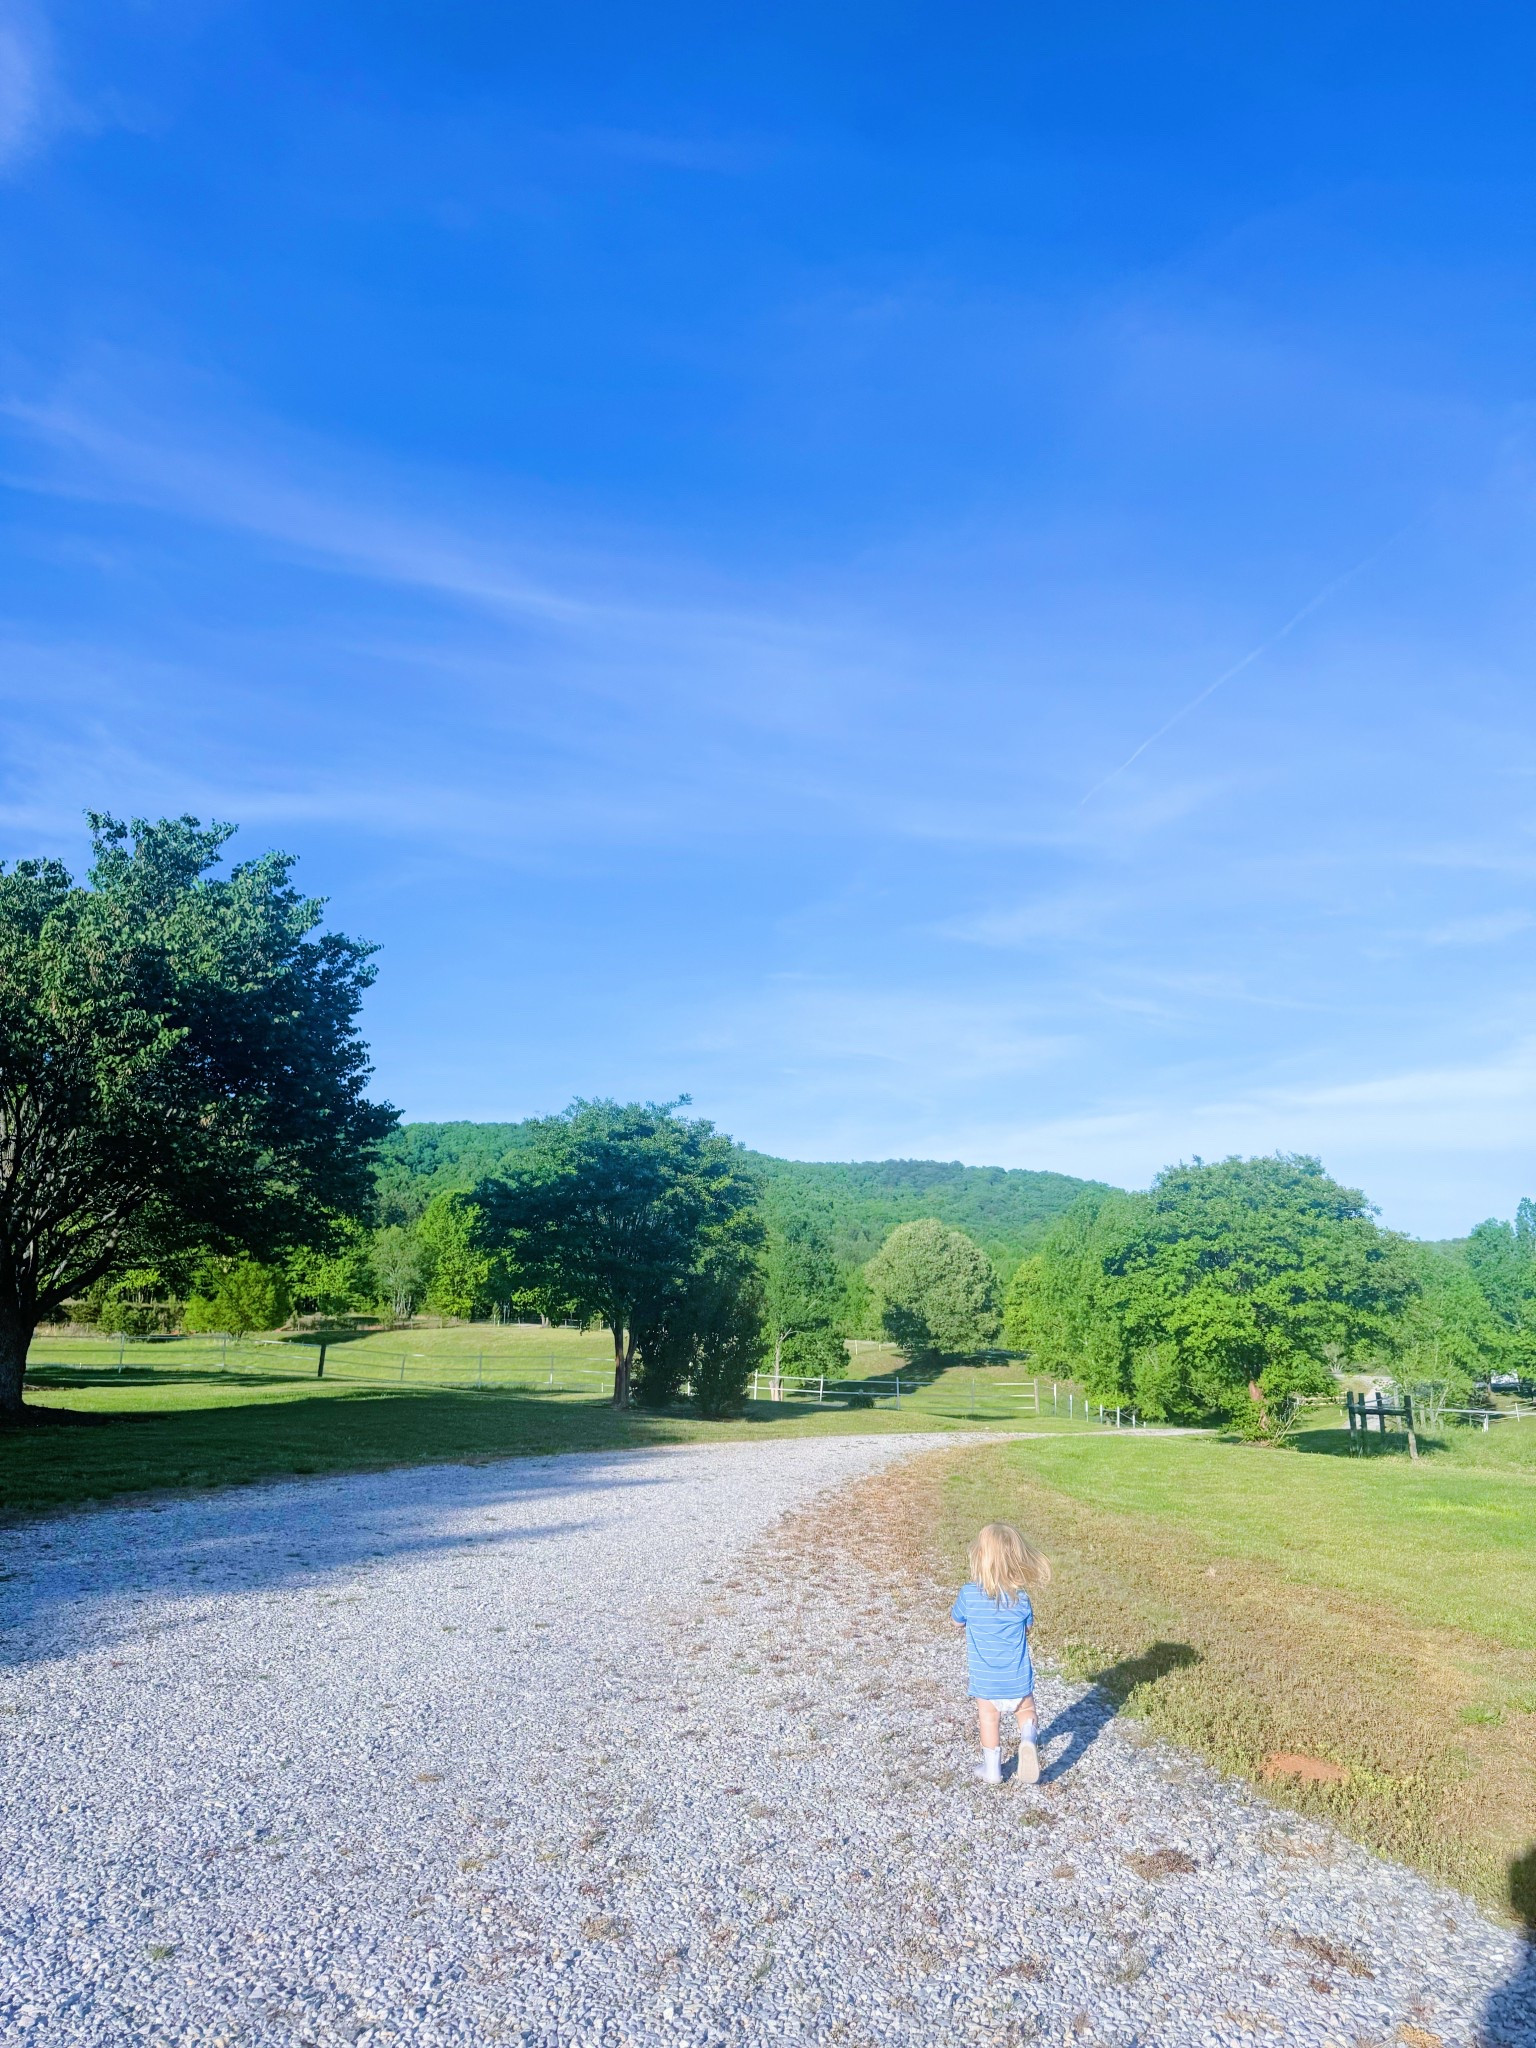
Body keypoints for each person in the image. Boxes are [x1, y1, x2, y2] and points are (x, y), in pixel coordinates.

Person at [951, 1521, 1051, 1786]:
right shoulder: (1021, 1598)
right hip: (1017, 1678)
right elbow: (1028, 1627)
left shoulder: (968, 1594)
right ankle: (1028, 1738)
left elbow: (956, 1620)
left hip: (987, 1681)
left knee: (988, 1719)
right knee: (1026, 1709)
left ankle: (992, 1769)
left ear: (979, 1557)